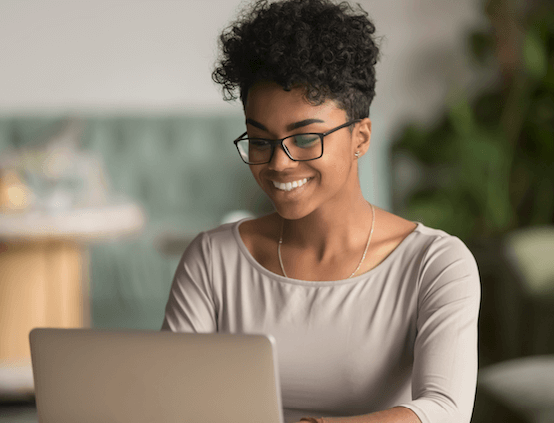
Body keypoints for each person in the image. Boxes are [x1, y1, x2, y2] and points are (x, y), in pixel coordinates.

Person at [162, 0, 481, 422]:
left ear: (361, 138)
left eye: (306, 138)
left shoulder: (436, 263)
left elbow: (444, 410)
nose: (278, 163)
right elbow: (169, 400)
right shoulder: (213, 259)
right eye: (260, 141)